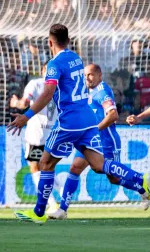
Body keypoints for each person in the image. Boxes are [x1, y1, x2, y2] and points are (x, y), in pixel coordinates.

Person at [8, 24, 150, 224]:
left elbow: (48, 93)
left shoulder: (54, 64)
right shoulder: (76, 58)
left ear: (50, 42)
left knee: (45, 163)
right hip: (88, 120)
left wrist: (27, 115)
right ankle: (139, 179)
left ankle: (39, 212)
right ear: (68, 40)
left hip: (69, 121)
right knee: (99, 165)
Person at [49, 64, 150, 220]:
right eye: (85, 76)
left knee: (113, 178)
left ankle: (140, 183)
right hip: (89, 140)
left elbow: (113, 115)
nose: (87, 78)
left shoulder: (102, 91)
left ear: (99, 76)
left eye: (90, 75)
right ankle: (62, 210)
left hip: (107, 141)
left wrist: (94, 129)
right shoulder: (84, 92)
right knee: (75, 167)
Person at [10, 62, 61, 213]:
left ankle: (50, 203)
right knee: (48, 168)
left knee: (36, 168)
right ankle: (59, 196)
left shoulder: (36, 84)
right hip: (53, 134)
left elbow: (24, 103)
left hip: (37, 134)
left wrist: (16, 103)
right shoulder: (60, 87)